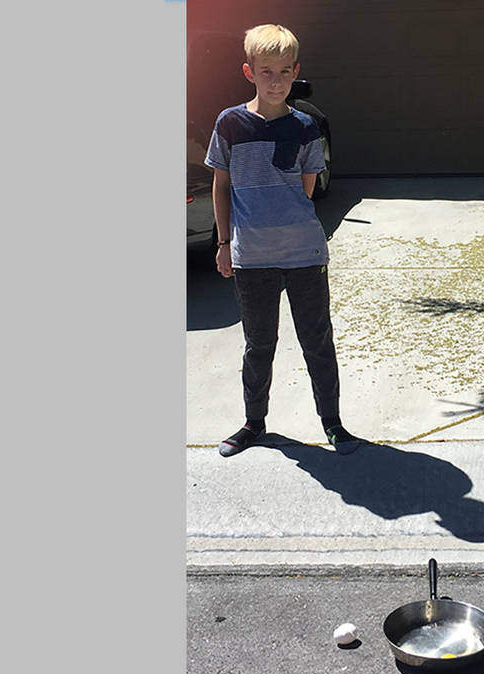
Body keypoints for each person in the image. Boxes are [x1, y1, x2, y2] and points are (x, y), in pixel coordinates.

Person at [204, 23, 358, 457]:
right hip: (251, 256)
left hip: (304, 253)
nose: (276, 80)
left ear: (296, 72)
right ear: (249, 71)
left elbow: (308, 187)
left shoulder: (306, 127)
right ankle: (254, 423)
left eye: (284, 72)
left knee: (317, 339)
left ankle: (333, 422)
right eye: (266, 70)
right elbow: (221, 183)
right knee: (259, 344)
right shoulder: (230, 123)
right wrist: (223, 243)